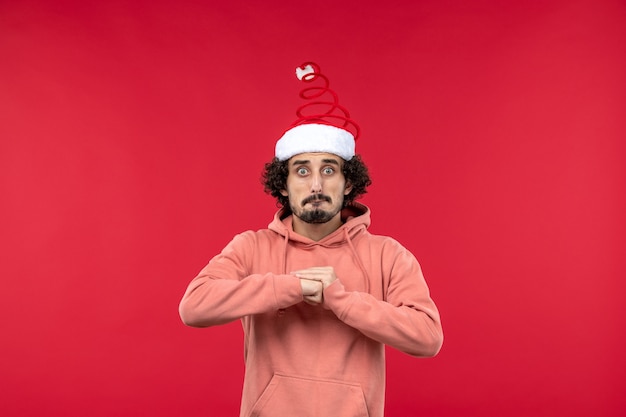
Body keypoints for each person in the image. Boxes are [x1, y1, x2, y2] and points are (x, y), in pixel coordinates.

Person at [179, 62, 443, 417]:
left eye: (329, 170)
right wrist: (292, 286)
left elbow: (427, 338)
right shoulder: (251, 246)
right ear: (284, 185)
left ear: (348, 183)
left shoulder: (388, 255)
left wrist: (342, 301)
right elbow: (194, 307)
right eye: (301, 171)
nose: (316, 185)